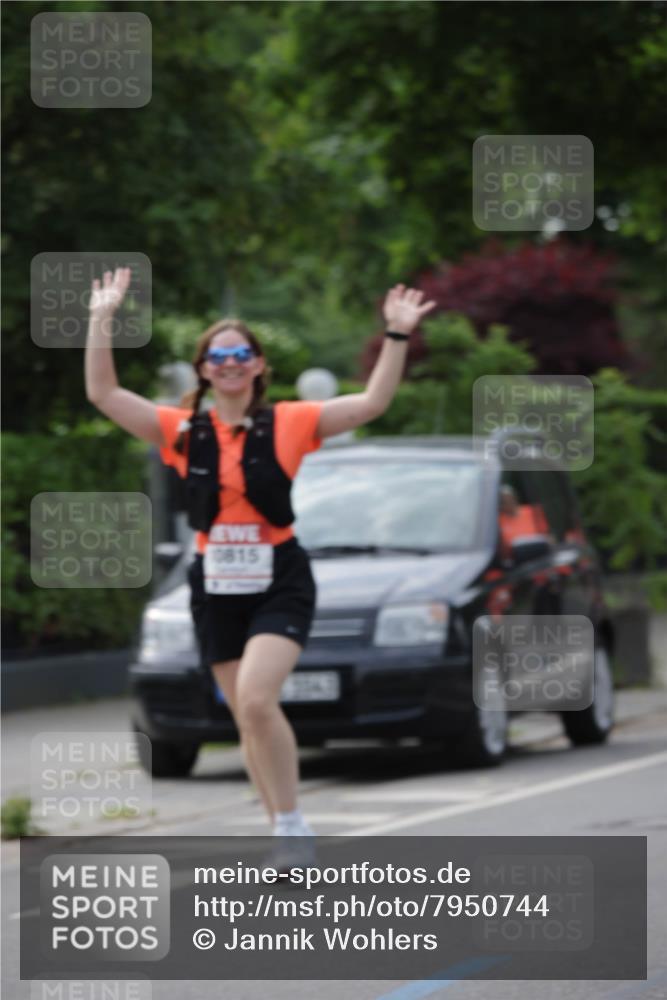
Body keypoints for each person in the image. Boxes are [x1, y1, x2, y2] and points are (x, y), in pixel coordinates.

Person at [84, 267, 436, 865]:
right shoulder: (181, 429)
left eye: (240, 354)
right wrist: (101, 319)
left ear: (257, 365)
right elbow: (104, 395)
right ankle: (285, 830)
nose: (228, 363)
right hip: (215, 581)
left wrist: (397, 336)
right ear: (202, 369)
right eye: (217, 355)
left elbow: (373, 402)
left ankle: (293, 821)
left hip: (279, 575)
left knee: (253, 698)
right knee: (246, 716)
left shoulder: (291, 422)